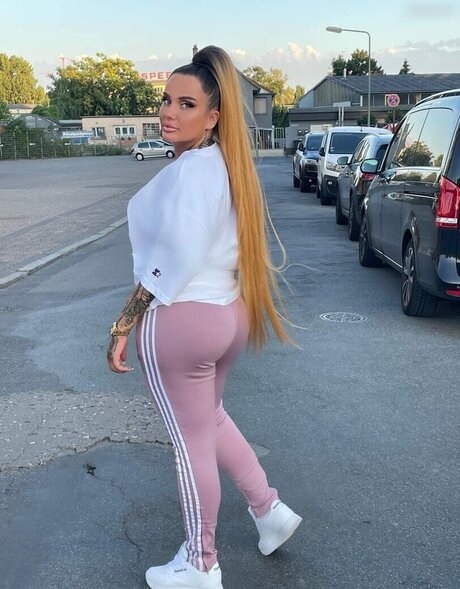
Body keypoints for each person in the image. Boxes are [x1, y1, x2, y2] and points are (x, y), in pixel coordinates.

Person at [107, 45, 302, 589]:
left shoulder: (194, 171)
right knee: (210, 420)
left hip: (183, 322)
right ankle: (268, 509)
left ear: (213, 116)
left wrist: (123, 324)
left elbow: (172, 260)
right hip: (227, 315)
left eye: (186, 104)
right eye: (167, 100)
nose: (169, 112)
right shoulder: (223, 164)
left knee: (190, 440)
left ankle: (200, 561)